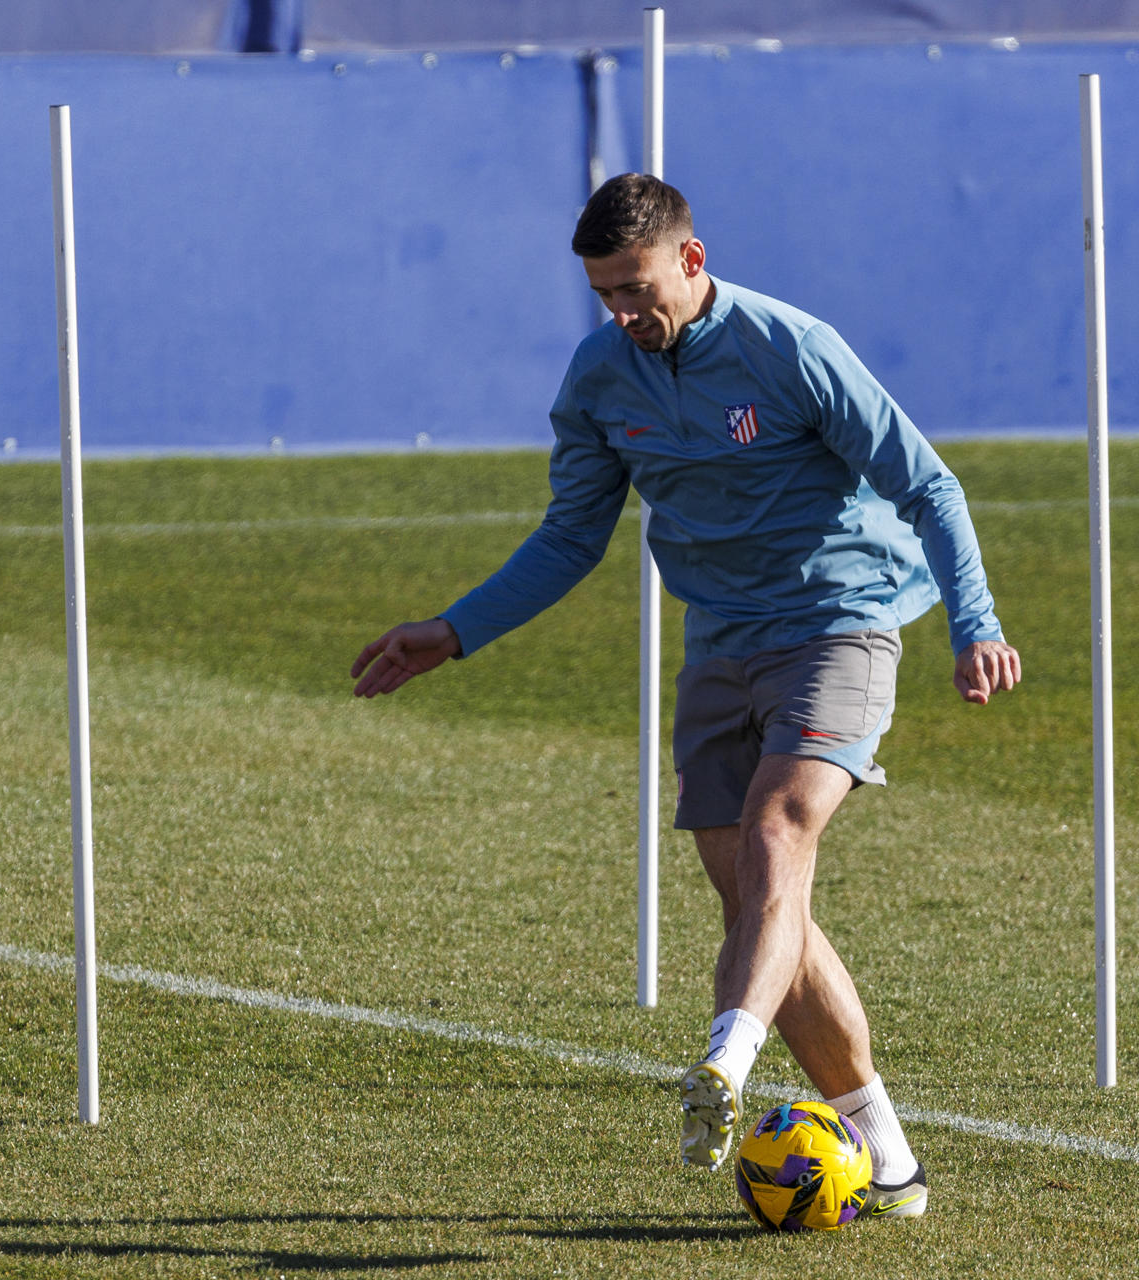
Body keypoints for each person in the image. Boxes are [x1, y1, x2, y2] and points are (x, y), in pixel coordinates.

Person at [350, 174, 1019, 1219]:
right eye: (603, 295)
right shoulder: (599, 379)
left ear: (692, 261)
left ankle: (723, 1059)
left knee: (777, 830)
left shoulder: (792, 347)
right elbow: (573, 534)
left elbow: (928, 484)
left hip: (839, 622)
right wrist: (456, 629)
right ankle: (887, 1158)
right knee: (763, 904)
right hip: (717, 646)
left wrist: (976, 622)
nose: (622, 312)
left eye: (635, 287)